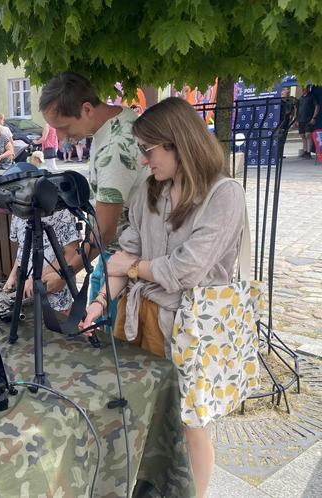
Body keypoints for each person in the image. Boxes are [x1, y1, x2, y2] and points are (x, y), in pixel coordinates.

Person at [80, 97, 247, 498]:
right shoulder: (149, 193)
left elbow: (183, 270)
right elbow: (123, 255)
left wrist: (134, 268)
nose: (142, 161)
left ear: (177, 143)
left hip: (193, 328)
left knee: (190, 423)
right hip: (143, 321)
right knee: (141, 414)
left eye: (147, 150)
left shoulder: (224, 195)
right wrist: (101, 303)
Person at [38, 72, 149, 307]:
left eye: (63, 126)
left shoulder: (113, 148)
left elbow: (105, 230)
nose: (59, 136)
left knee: (106, 339)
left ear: (87, 109)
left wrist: (65, 273)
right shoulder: (120, 120)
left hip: (126, 261)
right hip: (125, 254)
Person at [2, 163, 81, 314]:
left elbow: (71, 253)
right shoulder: (17, 210)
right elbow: (22, 249)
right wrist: (12, 276)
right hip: (26, 294)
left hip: (56, 298)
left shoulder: (60, 211)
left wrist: (37, 278)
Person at [296, 84, 319, 158]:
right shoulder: (300, 99)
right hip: (301, 119)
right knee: (302, 135)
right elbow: (297, 109)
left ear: (308, 88)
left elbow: (317, 106)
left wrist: (314, 117)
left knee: (308, 135)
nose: (302, 89)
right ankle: (305, 151)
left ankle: (308, 152)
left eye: (304, 88)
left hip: (309, 119)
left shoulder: (312, 97)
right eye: (302, 88)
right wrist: (296, 119)